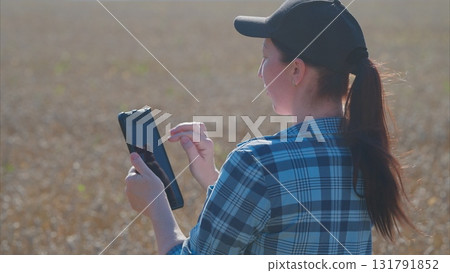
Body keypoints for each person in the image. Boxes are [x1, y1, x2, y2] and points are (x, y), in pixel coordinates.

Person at [124, 0, 413, 255]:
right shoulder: (367, 154)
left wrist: (157, 204)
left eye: (265, 57)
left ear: (297, 71)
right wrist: (214, 180)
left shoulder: (257, 163)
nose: (259, 71)